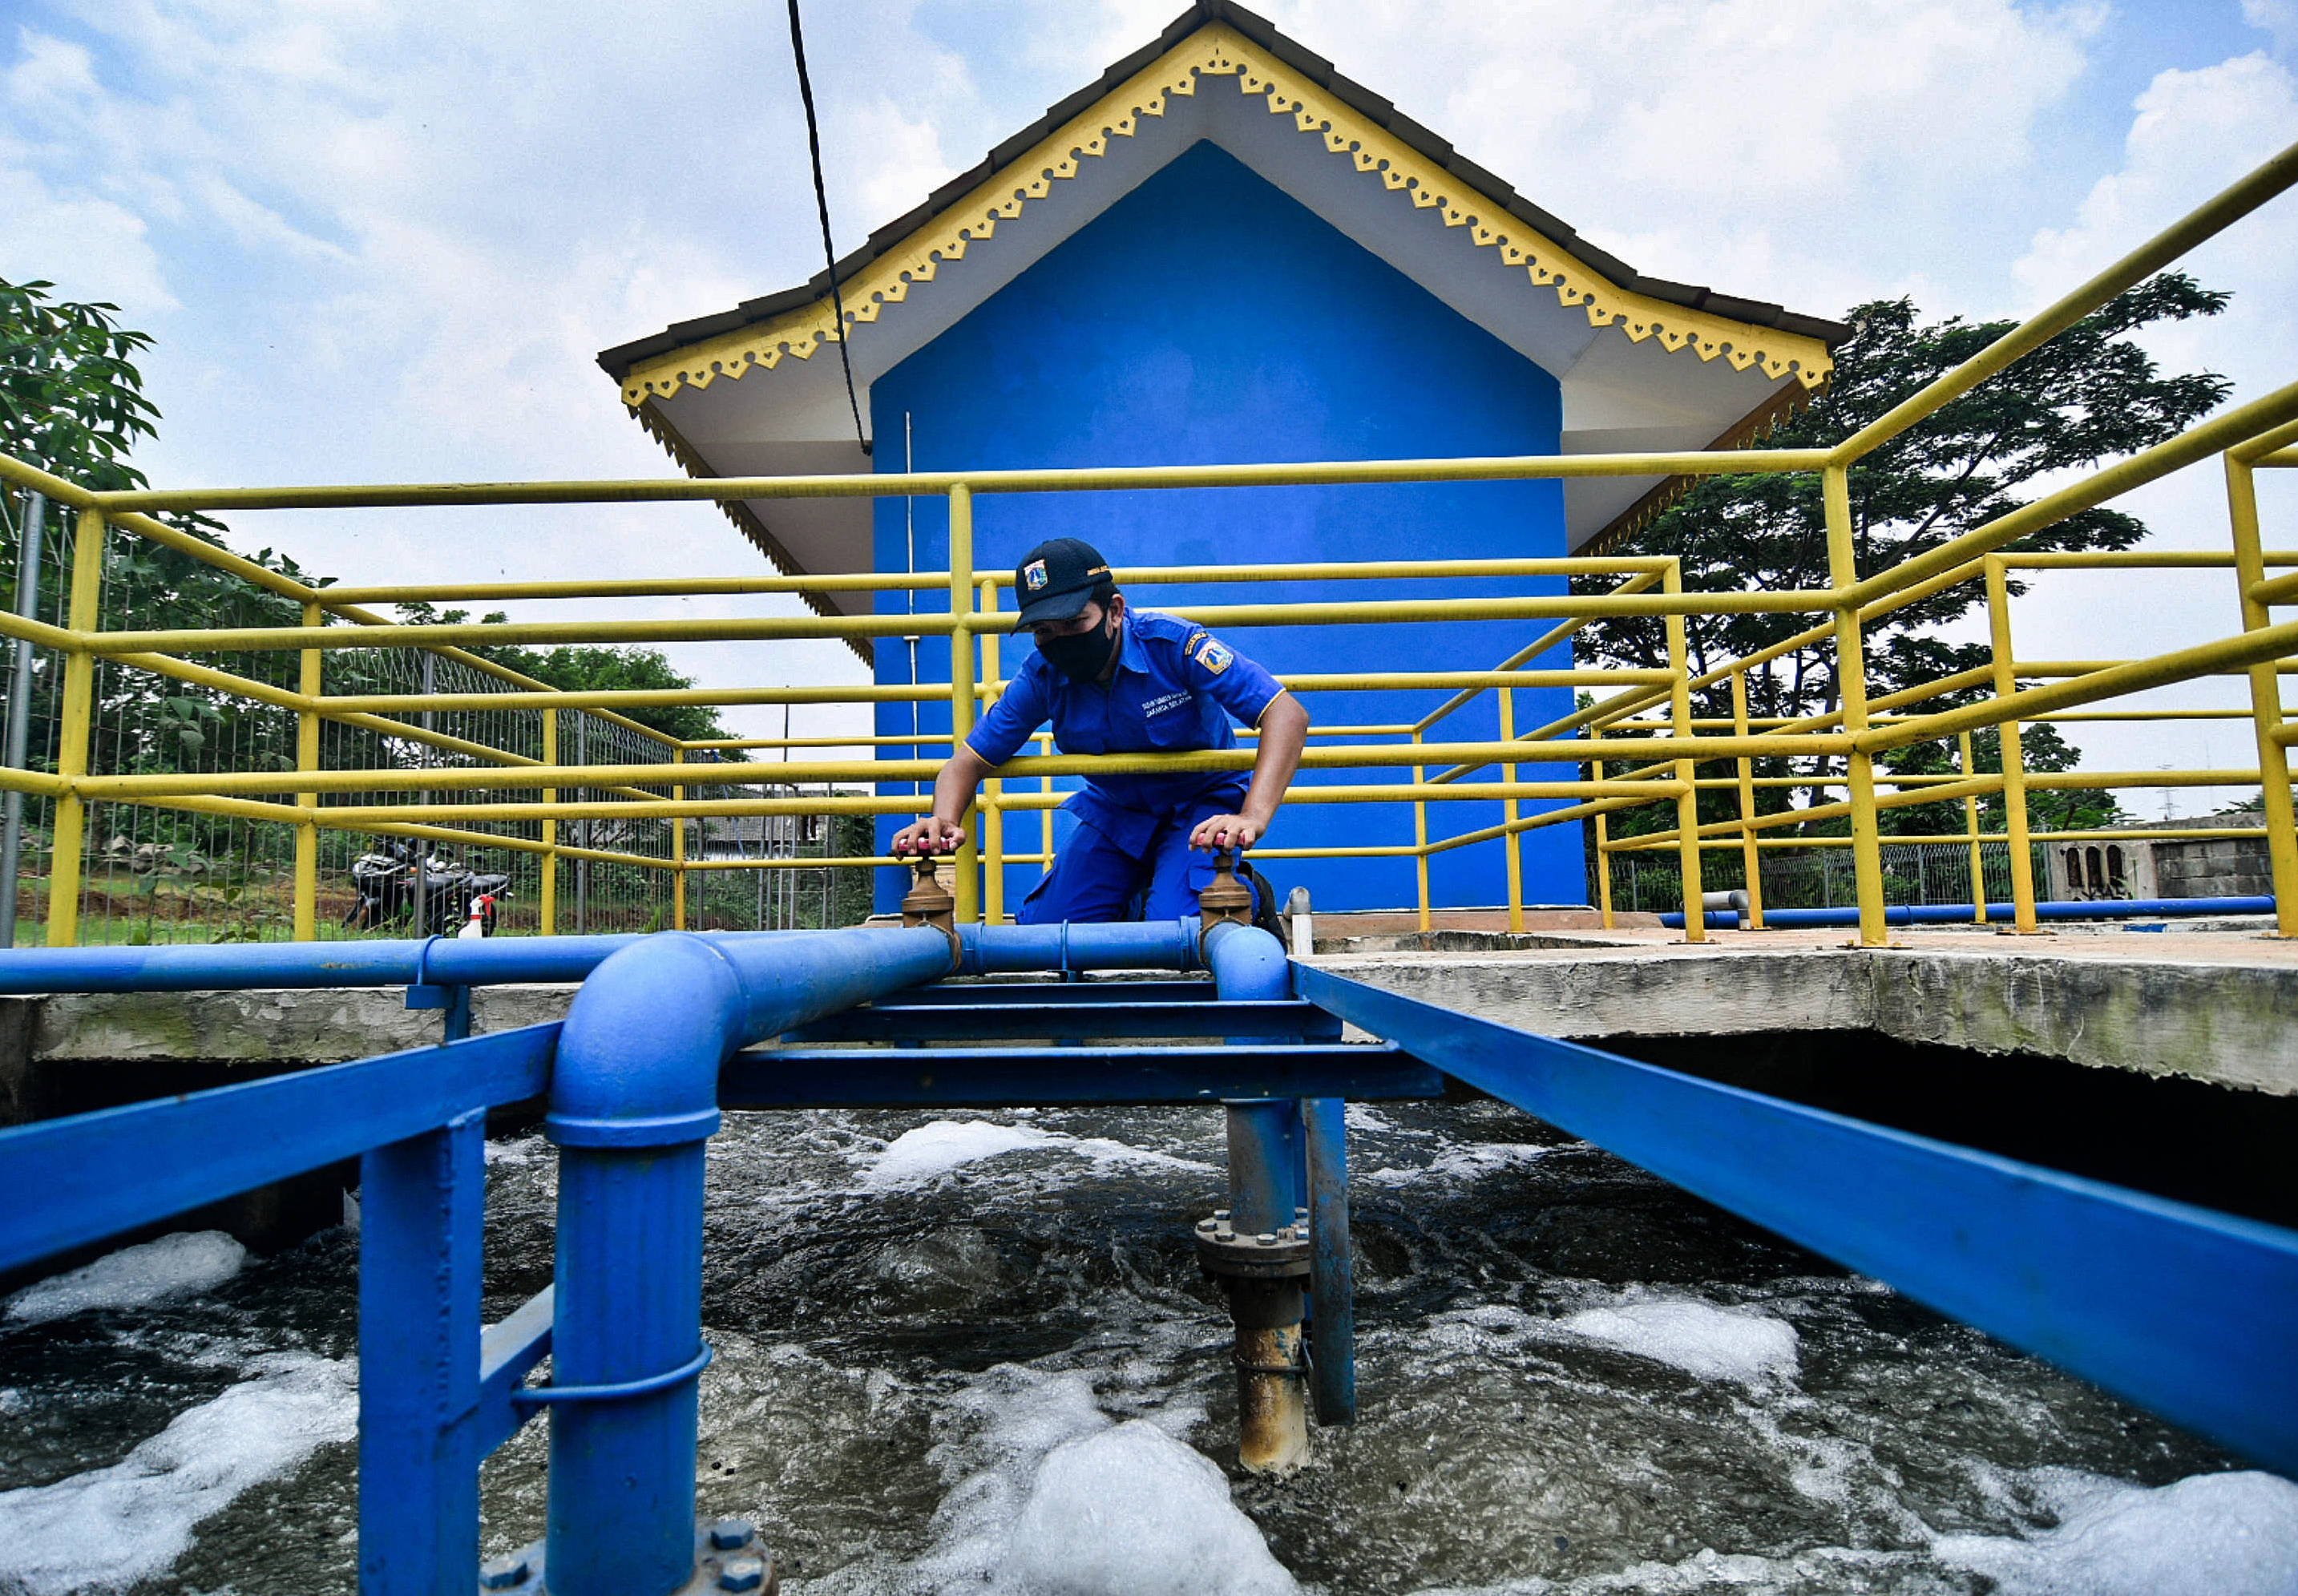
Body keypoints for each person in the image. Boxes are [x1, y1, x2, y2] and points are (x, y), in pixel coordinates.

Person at [890, 537, 1311, 923]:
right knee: (1048, 934)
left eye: (1073, 623)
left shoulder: (1172, 645)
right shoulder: (1042, 677)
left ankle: (1245, 891)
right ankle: (1140, 893)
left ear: (1114, 611)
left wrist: (1252, 816)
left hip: (1200, 807)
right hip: (1117, 814)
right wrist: (940, 820)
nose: (1060, 641)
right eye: (1043, 631)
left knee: (1179, 931)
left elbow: (1286, 714)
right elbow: (966, 763)